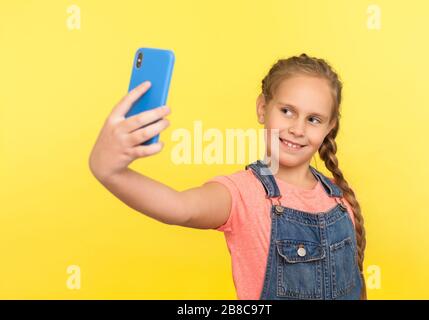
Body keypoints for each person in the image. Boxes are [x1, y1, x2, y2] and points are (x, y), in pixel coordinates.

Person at [89, 53, 367, 300]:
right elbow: (180, 208)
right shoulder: (243, 193)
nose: (297, 128)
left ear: (330, 126)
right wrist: (108, 171)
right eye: (287, 111)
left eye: (313, 119)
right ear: (262, 109)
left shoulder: (339, 200)